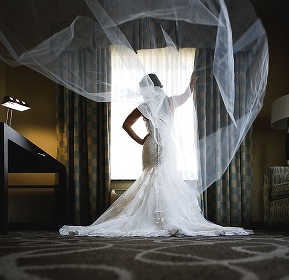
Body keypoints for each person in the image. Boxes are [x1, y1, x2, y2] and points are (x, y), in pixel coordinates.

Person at [59, 73, 253, 237]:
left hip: (151, 144)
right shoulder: (169, 101)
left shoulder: (144, 105)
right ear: (159, 85)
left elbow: (125, 125)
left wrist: (141, 139)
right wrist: (191, 83)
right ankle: (164, 219)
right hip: (167, 144)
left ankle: (154, 219)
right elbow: (186, 95)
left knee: (154, 178)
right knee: (164, 178)